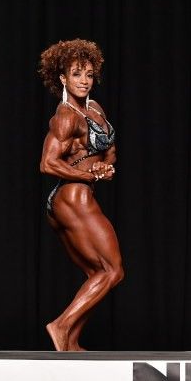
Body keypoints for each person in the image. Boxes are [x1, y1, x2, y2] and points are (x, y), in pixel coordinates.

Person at [38, 39, 123, 351]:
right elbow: (47, 163)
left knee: (97, 273)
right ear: (63, 78)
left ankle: (71, 341)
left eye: (88, 74)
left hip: (76, 196)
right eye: (76, 74)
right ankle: (60, 325)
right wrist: (89, 175)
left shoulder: (95, 108)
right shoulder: (67, 116)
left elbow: (109, 151)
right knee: (113, 271)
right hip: (73, 196)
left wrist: (104, 167)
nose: (84, 81)